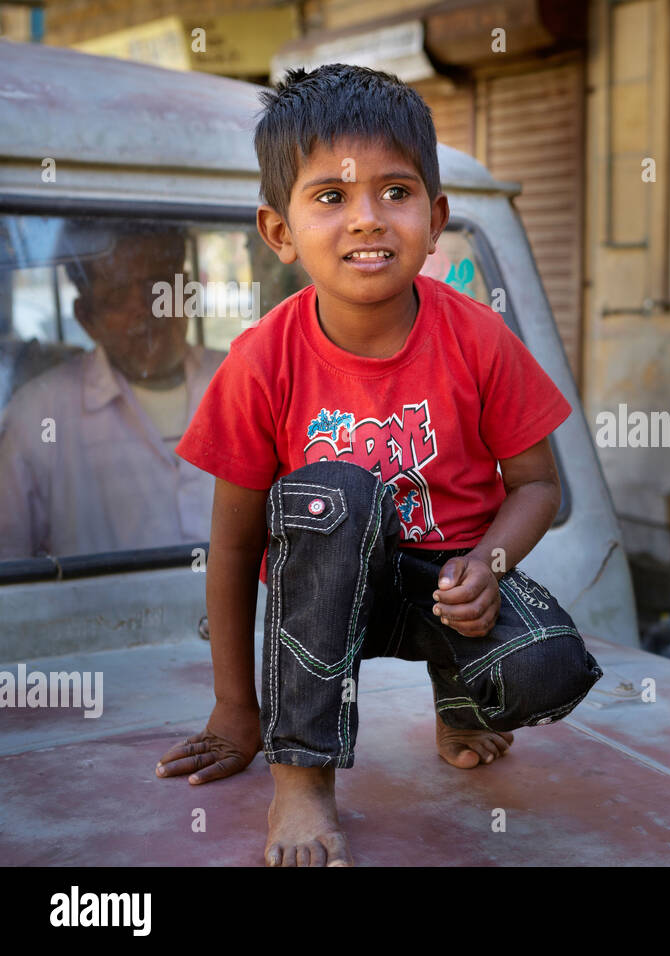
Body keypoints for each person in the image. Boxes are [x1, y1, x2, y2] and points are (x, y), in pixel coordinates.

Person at [154, 64, 603, 867]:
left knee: (543, 663)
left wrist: (487, 563)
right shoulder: (262, 361)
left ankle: (461, 703)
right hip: (318, 605)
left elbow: (537, 484)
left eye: (395, 193)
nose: (367, 220)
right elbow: (231, 546)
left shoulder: (478, 339)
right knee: (336, 492)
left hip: (446, 590)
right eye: (331, 196)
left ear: (434, 219)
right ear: (279, 231)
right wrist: (234, 708)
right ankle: (303, 779)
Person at [0, 227, 224, 558]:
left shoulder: (247, 381)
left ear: (188, 293)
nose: (144, 310)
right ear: (87, 317)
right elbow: (11, 571)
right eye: (117, 296)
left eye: (156, 287)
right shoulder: (38, 415)